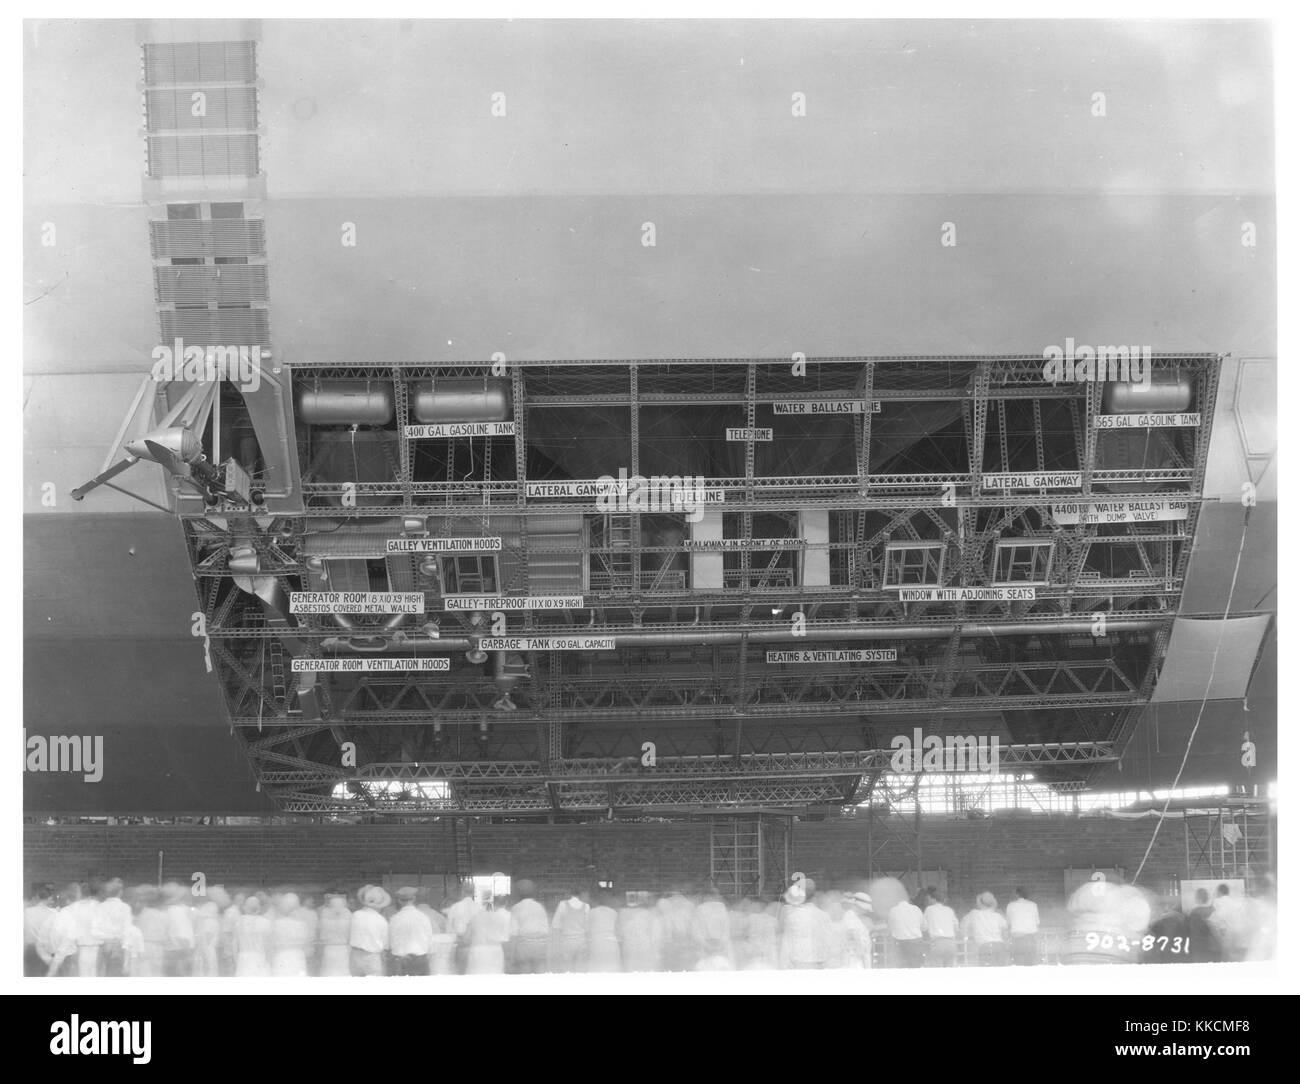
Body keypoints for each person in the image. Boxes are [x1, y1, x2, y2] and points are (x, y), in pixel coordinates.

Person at [779, 875, 831, 970]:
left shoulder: (792, 917)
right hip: (820, 967)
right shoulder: (824, 916)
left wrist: (784, 969)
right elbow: (830, 944)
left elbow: (786, 947)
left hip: (799, 966)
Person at [508, 880, 551, 974]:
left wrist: (511, 956)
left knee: (525, 975)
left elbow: (513, 933)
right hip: (540, 945)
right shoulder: (540, 907)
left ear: (519, 893)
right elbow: (546, 931)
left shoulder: (516, 908)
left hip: (523, 946)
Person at [389, 886, 435, 975]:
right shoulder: (423, 917)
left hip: (401, 961)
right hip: (421, 959)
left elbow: (392, 942)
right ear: (414, 899)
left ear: (399, 900)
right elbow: (430, 940)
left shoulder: (394, 919)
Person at [349, 885, 391, 977]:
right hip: (372, 957)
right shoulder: (381, 920)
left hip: (355, 955)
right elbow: (385, 945)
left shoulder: (355, 915)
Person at [617, 894, 664, 973]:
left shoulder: (623, 914)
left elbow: (620, 935)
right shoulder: (651, 915)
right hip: (645, 952)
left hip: (632, 952)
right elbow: (656, 937)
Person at [444, 880, 482, 974]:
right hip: (476, 947)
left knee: (461, 974)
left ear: (462, 892)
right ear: (473, 892)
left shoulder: (455, 907)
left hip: (461, 946)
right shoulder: (480, 908)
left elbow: (448, 930)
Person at [270, 892, 311, 978]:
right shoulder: (303, 924)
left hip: (281, 958)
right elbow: (306, 945)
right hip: (298, 958)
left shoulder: (277, 923)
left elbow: (271, 944)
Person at [466, 899, 511, 975]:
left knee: (477, 974)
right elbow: (506, 936)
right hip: (495, 949)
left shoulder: (475, 918)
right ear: (492, 907)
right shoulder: (499, 917)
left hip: (478, 949)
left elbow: (467, 936)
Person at [964, 892, 1010, 966]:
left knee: (988, 975)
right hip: (1000, 946)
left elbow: (963, 926)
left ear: (980, 903)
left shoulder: (974, 914)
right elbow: (1006, 931)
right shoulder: (998, 916)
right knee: (1002, 974)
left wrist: (970, 936)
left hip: (985, 947)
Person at [552, 888, 591, 973]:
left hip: (567, 941)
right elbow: (587, 927)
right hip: (581, 941)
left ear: (569, 894)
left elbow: (555, 925)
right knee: (580, 970)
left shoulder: (562, 904)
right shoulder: (586, 906)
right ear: (580, 895)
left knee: (566, 970)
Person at [160, 883, 195, 977]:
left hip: (173, 953)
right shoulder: (176, 911)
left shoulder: (169, 910)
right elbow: (182, 936)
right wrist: (188, 957)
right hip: (179, 955)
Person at [233, 895, 271, 977]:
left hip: (243, 959)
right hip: (260, 958)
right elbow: (268, 946)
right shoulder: (266, 923)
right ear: (259, 908)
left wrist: (237, 961)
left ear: (245, 907)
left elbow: (234, 946)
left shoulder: (239, 922)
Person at [887, 892, 927, 968]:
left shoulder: (893, 910)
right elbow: (924, 927)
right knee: (916, 968)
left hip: (900, 944)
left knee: (902, 969)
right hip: (916, 943)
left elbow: (890, 928)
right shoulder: (916, 909)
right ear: (908, 898)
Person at [317, 892, 353, 977]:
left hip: (329, 948)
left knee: (328, 972)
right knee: (342, 972)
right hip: (343, 948)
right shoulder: (347, 914)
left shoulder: (325, 915)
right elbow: (350, 934)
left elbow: (321, 935)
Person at [24, 886, 56, 977]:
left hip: (30, 948)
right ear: (50, 898)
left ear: (37, 896)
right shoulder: (52, 914)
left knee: (30, 975)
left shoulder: (27, 911)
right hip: (46, 949)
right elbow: (54, 934)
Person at [923, 890, 959, 968]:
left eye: (929, 899)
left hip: (937, 943)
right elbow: (956, 926)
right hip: (951, 943)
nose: (928, 901)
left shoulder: (929, 909)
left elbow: (924, 926)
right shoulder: (949, 910)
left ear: (934, 899)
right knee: (950, 970)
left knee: (937, 972)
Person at [1005, 886, 1040, 966]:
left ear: (1017, 895)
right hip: (1031, 939)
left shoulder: (1011, 905)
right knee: (1031, 965)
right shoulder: (1033, 905)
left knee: (1019, 965)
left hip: (1018, 939)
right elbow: (1037, 923)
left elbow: (1008, 923)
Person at [1186, 888, 1219, 963]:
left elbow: (1191, 932)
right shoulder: (1213, 910)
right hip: (1214, 947)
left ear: (1198, 898)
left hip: (1199, 947)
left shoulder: (1194, 912)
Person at [843, 891, 874, 969]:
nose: (866, 911)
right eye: (865, 909)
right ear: (859, 906)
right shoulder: (850, 917)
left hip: (859, 959)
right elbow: (853, 937)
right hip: (855, 961)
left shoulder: (855, 918)